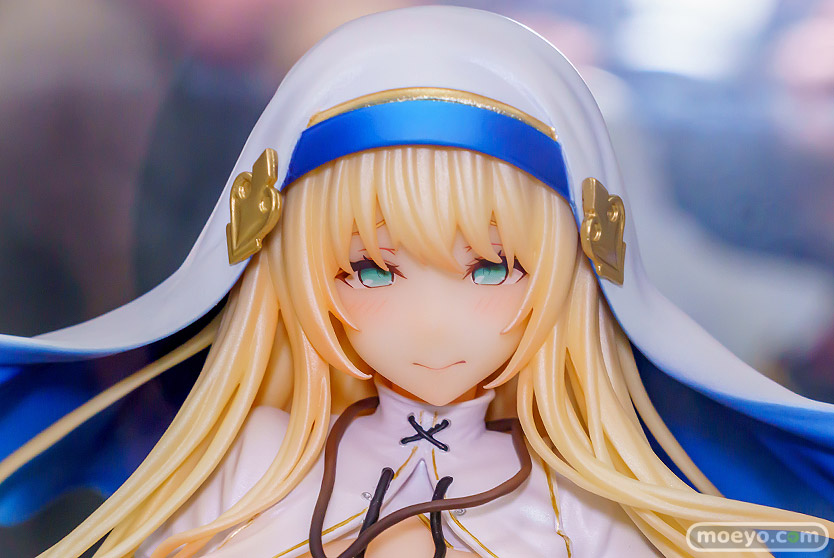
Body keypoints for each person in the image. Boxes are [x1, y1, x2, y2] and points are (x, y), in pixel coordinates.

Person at [2, 7, 834, 558]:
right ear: (287, 270)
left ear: (576, 275)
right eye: (371, 269)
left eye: (490, 269)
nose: (433, 321)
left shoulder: (581, 503)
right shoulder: (250, 463)